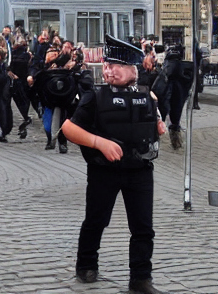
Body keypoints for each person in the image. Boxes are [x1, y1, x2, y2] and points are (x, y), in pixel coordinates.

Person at [61, 35, 167, 294]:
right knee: (96, 220)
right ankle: (86, 264)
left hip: (140, 169)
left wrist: (159, 126)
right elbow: (68, 129)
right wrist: (99, 142)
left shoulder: (147, 96)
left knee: (143, 227)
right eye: (106, 65)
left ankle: (141, 278)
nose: (108, 70)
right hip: (103, 171)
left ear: (133, 69)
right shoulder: (94, 97)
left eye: (115, 65)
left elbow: (157, 124)